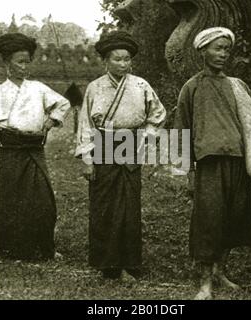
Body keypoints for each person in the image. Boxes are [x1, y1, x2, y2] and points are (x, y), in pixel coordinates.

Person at [174, 27, 251, 299]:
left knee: (234, 219)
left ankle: (220, 272)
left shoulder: (238, 86)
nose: (223, 54)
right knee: (209, 220)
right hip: (209, 165)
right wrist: (187, 171)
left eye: (226, 49)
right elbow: (182, 131)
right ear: (202, 51)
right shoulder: (192, 87)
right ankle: (204, 284)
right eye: (217, 48)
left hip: (239, 163)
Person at [0, 33, 71, 261]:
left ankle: (45, 247)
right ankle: (12, 249)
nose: (25, 67)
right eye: (19, 62)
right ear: (7, 63)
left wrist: (50, 121)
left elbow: (63, 104)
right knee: (13, 199)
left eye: (28, 61)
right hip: (11, 150)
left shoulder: (37, 88)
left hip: (34, 148)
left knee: (43, 199)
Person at [75, 31, 167, 281]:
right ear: (106, 60)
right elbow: (85, 124)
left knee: (128, 204)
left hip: (131, 143)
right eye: (117, 59)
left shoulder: (140, 85)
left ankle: (129, 264)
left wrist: (147, 137)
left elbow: (157, 114)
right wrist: (86, 158)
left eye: (127, 59)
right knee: (103, 203)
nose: (123, 64)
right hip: (103, 143)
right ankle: (107, 264)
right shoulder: (95, 87)